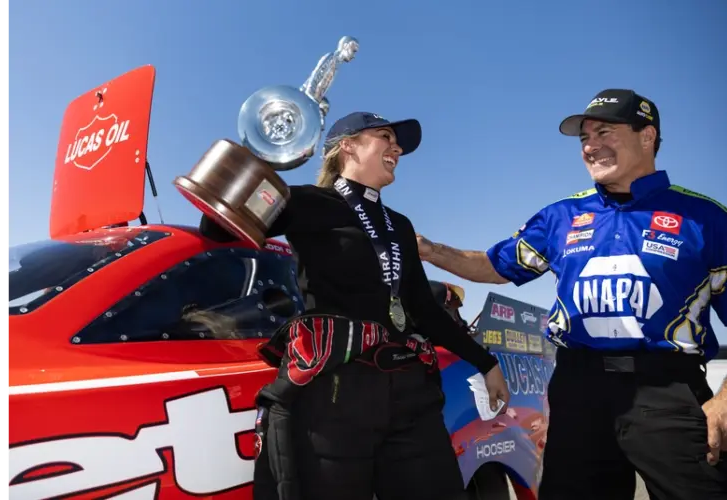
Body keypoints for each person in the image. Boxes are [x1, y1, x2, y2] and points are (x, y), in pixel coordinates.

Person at [416, 89, 727, 500]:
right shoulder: (561, 217)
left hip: (668, 389)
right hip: (577, 389)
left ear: (647, 136)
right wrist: (430, 250)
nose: (590, 146)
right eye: (585, 138)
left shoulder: (708, 219)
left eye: (604, 132)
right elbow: (494, 266)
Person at [199, 111, 510, 500]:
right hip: (336, 389)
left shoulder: (398, 225)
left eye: (397, 142)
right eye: (385, 137)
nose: (397, 148)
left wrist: (486, 363)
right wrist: (265, 158)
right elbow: (216, 229)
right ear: (347, 145)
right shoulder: (307, 202)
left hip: (408, 389)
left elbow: (424, 309)